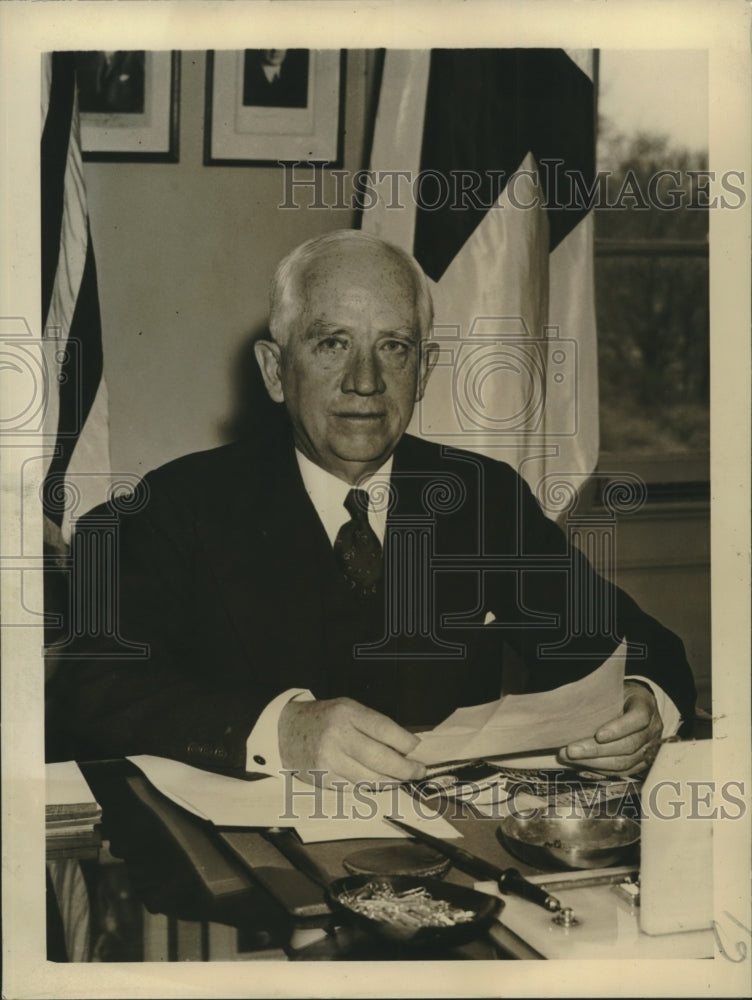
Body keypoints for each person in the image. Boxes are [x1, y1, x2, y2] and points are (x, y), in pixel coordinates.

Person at [50, 230, 696, 788]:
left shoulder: (481, 497)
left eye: (394, 347)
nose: (365, 380)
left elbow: (636, 646)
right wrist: (281, 731)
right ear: (276, 371)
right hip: (253, 889)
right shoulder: (172, 509)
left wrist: (643, 705)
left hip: (447, 874)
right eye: (332, 344)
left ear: (425, 370)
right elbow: (96, 690)